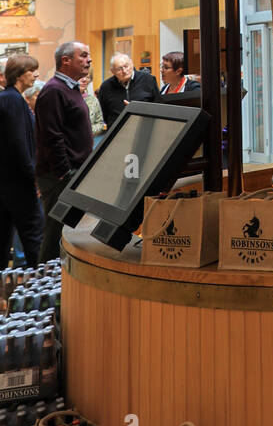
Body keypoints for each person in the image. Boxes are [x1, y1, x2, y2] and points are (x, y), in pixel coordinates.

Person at [34, 41, 94, 262]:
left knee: (69, 233)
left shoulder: (69, 88)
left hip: (73, 173)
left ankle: (63, 284)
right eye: (84, 56)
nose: (89, 60)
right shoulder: (53, 90)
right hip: (60, 176)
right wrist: (64, 172)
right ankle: (45, 288)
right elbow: (52, 136)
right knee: (55, 235)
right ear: (66, 60)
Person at [0, 53, 42, 266]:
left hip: (7, 182)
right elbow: (19, 144)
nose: (36, 75)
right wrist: (33, 176)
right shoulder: (14, 101)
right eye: (31, 71)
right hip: (18, 183)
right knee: (34, 237)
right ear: (18, 75)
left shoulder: (8, 99)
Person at [97, 52, 160, 128]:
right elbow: (104, 112)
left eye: (126, 66)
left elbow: (158, 106)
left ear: (132, 64)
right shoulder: (106, 86)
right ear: (112, 71)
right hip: (117, 131)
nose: (124, 71)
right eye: (119, 69)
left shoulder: (148, 79)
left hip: (144, 128)